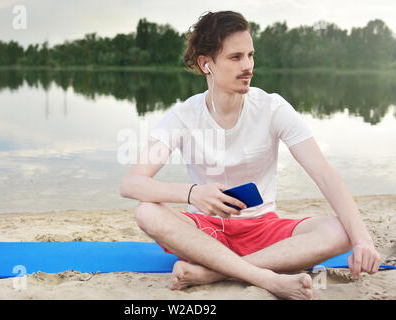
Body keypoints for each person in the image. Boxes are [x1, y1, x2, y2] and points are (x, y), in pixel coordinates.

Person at [120, 10, 381, 300]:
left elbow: (324, 174)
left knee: (342, 231)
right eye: (236, 57)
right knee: (147, 211)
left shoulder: (272, 108)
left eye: (250, 55)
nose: (248, 66)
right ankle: (263, 276)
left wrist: (362, 241)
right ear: (207, 64)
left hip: (263, 228)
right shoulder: (183, 116)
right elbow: (131, 184)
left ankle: (213, 272)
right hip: (206, 231)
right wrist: (193, 193)